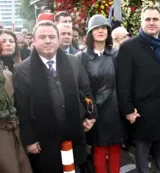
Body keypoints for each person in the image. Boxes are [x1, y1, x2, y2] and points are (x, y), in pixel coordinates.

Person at [13, 21, 96, 173]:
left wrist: (91, 115)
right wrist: (30, 140)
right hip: (44, 138)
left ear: (58, 40)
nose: (47, 40)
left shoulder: (73, 61)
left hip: (73, 131)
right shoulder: (23, 69)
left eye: (52, 36)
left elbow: (86, 91)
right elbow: (22, 109)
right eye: (42, 37)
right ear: (34, 41)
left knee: (74, 169)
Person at [117, 5, 160, 173]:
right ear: (141, 22)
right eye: (148, 19)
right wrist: (128, 110)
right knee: (142, 163)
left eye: (155, 19)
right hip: (141, 113)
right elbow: (123, 83)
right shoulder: (128, 47)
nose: (151, 22)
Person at [76, 14, 124, 173]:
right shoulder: (81, 57)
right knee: (99, 148)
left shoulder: (116, 54)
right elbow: (82, 88)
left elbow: (123, 82)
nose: (101, 31)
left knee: (115, 148)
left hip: (115, 110)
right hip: (95, 111)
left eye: (104, 27)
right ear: (90, 32)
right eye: (96, 28)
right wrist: (89, 113)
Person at [0, 32, 32, 173]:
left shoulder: (21, 68)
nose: (8, 44)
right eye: (4, 41)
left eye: (11, 41)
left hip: (18, 127)